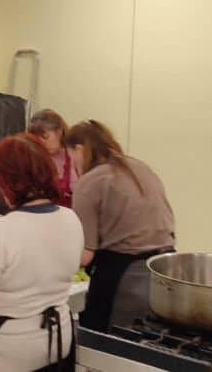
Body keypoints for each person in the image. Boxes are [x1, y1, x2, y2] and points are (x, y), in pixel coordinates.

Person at [0, 133, 84, 372]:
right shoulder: (71, 219)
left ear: (6, 181)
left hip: (8, 350)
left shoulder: (0, 230)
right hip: (58, 341)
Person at [63, 120, 176, 332]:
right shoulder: (140, 167)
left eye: (72, 157)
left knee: (107, 347)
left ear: (79, 148)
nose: (74, 165)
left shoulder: (90, 182)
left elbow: (85, 255)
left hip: (126, 278)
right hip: (167, 270)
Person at [28, 109, 78, 207]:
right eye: (37, 140)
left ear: (59, 131)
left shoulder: (74, 156)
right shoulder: (33, 159)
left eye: (46, 137)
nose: (42, 143)